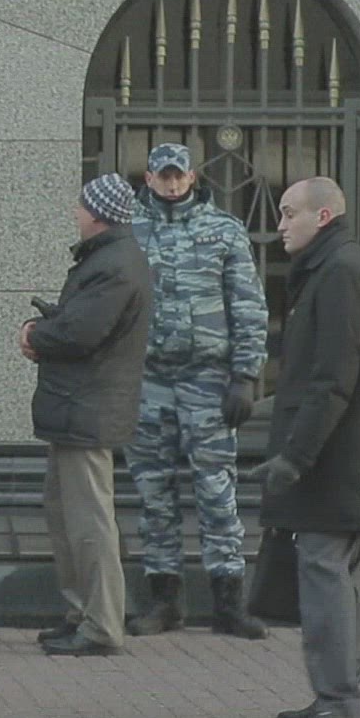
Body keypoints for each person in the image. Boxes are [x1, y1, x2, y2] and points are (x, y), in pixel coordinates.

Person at [250, 177, 360, 718]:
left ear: (322, 216)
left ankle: (339, 702)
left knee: (326, 578)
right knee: (342, 577)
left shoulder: (340, 273)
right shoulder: (337, 268)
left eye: (289, 213)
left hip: (336, 463)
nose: (280, 225)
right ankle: (337, 698)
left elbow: (332, 378)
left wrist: (295, 456)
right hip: (344, 460)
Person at [125, 143, 271, 640]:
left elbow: (247, 304)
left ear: (192, 178)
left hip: (206, 379)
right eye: (163, 175)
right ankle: (164, 601)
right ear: (149, 178)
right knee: (154, 493)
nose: (171, 183)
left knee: (216, 491)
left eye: (178, 175)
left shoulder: (223, 230)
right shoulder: (129, 230)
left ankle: (228, 603)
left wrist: (245, 376)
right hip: (148, 379)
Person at [19, 174, 152, 657]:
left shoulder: (114, 265)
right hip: (80, 409)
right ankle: (81, 613)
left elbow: (82, 333)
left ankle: (100, 624)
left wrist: (35, 334)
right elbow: (84, 324)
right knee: (66, 516)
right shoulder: (111, 260)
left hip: (87, 409)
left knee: (89, 523)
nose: (75, 212)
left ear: (97, 214)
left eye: (81, 206)